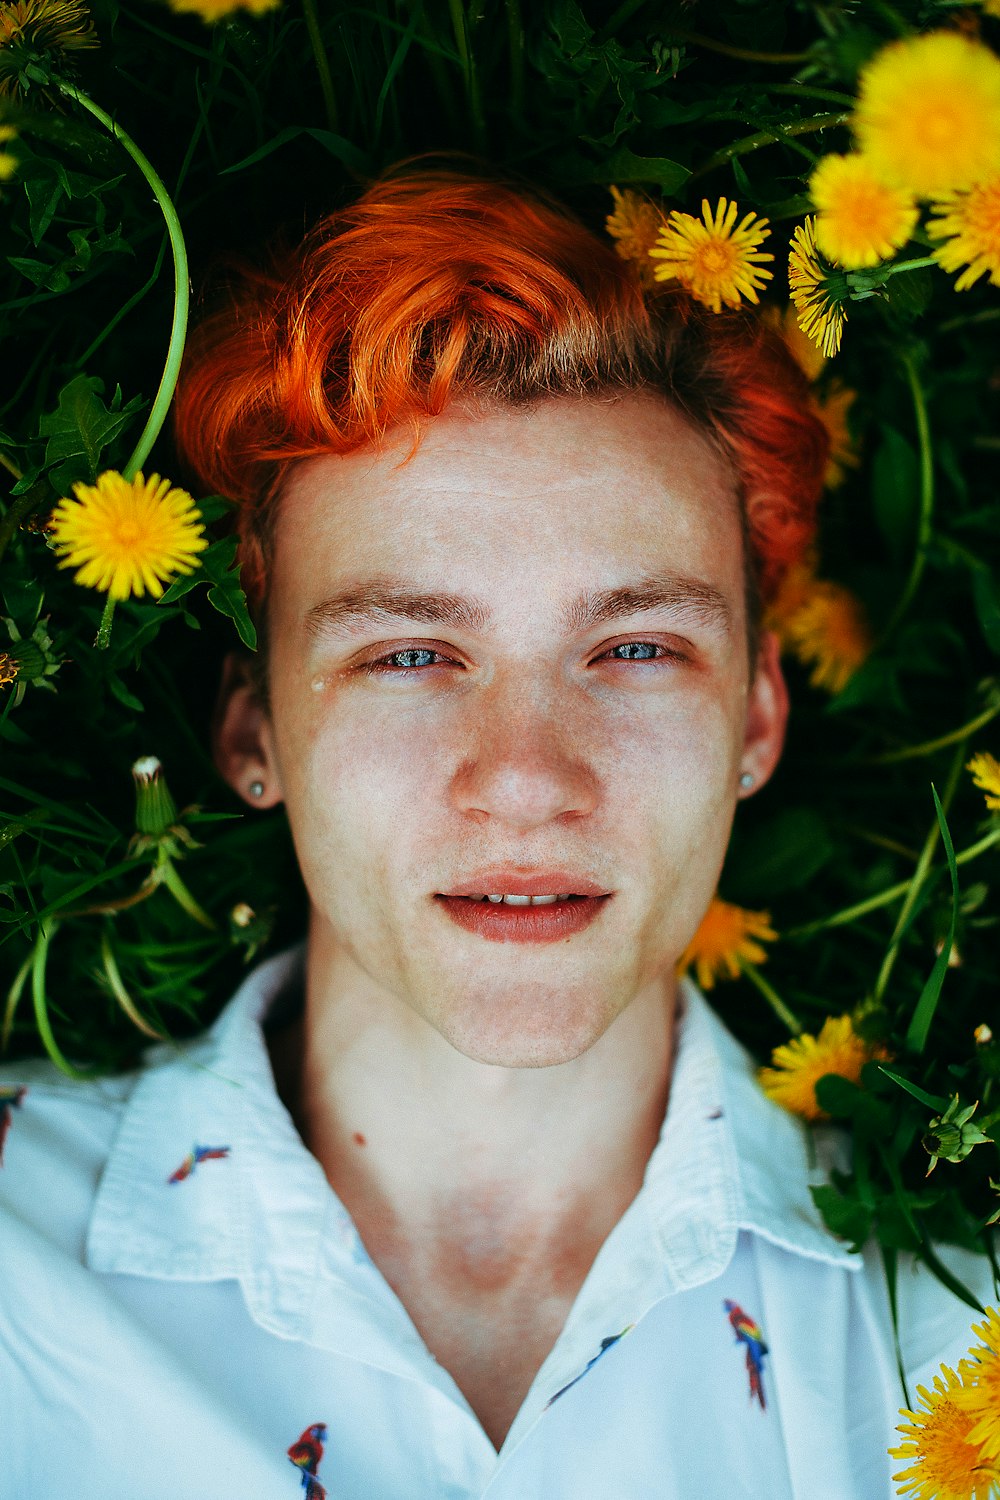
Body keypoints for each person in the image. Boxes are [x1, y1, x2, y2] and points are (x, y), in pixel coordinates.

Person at [1, 163, 992, 1499]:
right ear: (254, 733)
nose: (527, 781)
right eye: (410, 655)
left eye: (636, 647)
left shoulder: (949, 1330)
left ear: (758, 718)